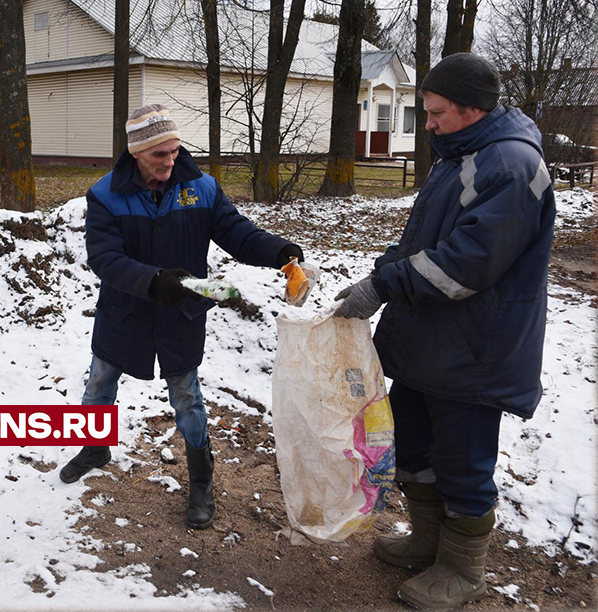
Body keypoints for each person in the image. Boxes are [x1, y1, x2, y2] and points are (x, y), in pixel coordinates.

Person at [334, 53, 556, 609]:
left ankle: (462, 569)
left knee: (463, 460)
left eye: (435, 113)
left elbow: (467, 264)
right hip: (430, 343)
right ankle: (428, 541)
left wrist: (386, 288)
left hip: (475, 351)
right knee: (415, 445)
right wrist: (380, 274)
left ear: (473, 109)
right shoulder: (463, 154)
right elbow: (421, 244)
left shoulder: (508, 165)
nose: (427, 124)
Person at [59, 103, 304, 530]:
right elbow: (105, 258)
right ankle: (94, 448)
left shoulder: (201, 189)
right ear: (136, 153)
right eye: (160, 154)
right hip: (125, 311)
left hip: (180, 315)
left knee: (187, 396)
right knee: (100, 382)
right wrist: (152, 281)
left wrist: (279, 252)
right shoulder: (105, 195)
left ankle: (201, 480)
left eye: (175, 151)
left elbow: (237, 233)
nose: (171, 161)